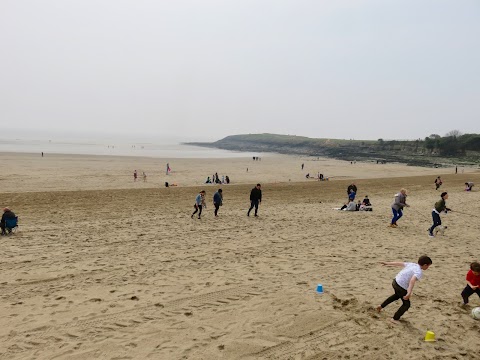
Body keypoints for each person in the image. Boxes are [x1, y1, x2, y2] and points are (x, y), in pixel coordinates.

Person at [376, 256, 433, 324]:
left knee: (396, 295)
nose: (427, 268)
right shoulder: (419, 272)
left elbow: (399, 263)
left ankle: (381, 306)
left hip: (395, 282)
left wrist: (387, 263)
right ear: (425, 265)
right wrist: (409, 292)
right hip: (401, 286)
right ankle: (394, 319)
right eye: (428, 266)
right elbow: (412, 281)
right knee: (406, 304)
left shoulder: (412, 264)